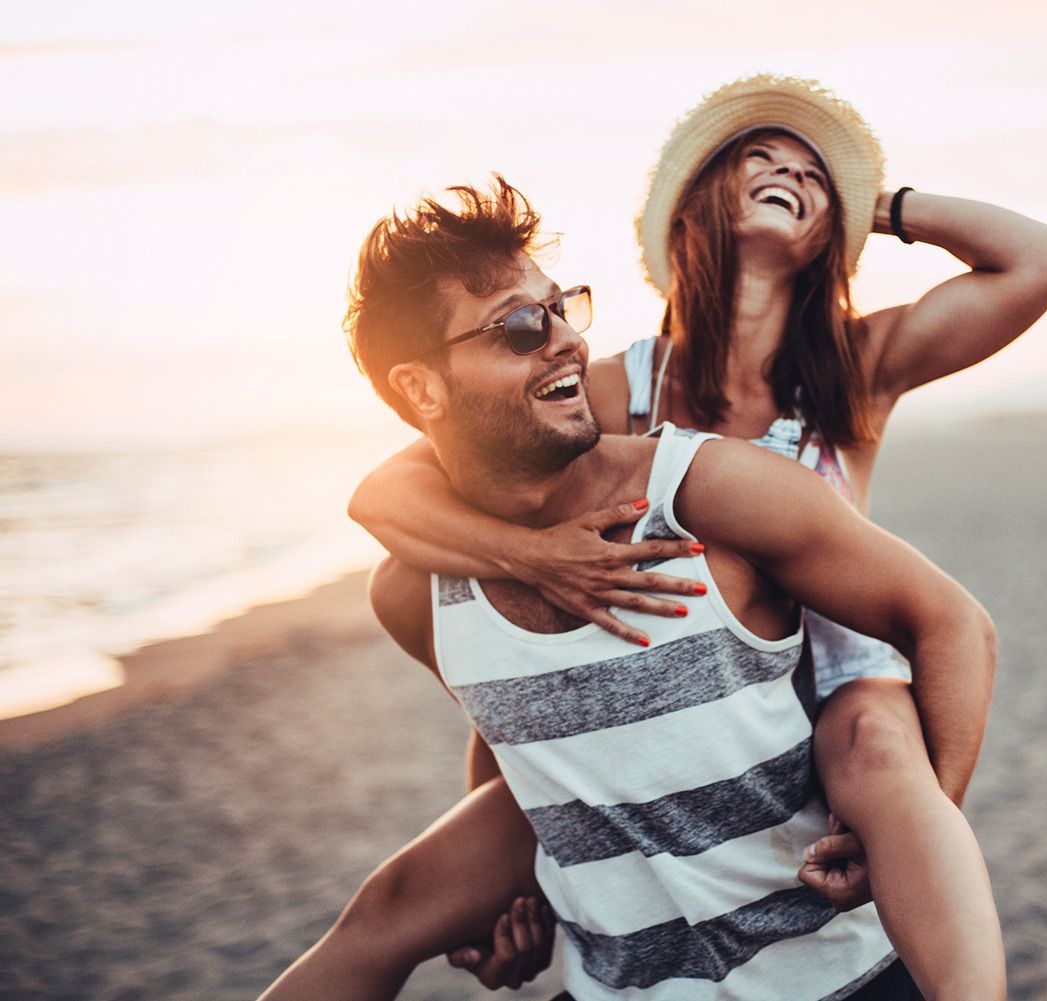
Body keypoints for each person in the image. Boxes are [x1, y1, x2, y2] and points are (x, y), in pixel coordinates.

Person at [266, 172, 998, 999]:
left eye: (560, 308)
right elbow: (525, 747)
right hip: (614, 983)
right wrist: (520, 897)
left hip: (832, 976)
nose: (563, 341)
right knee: (382, 910)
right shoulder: (415, 593)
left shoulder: (713, 490)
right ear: (419, 387)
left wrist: (917, 833)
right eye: (516, 325)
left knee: (880, 748)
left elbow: (950, 622)